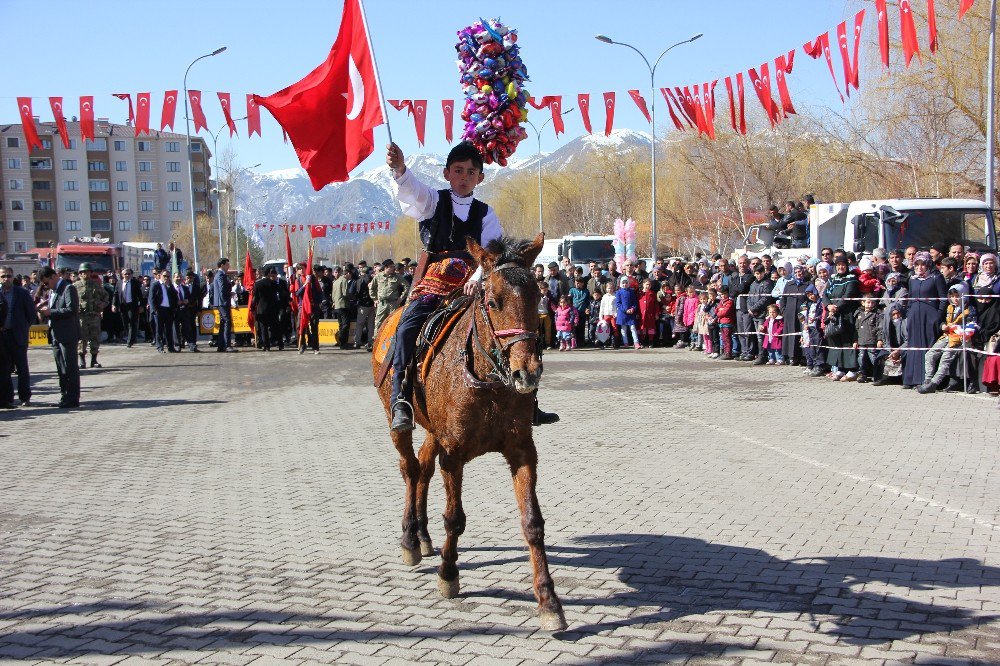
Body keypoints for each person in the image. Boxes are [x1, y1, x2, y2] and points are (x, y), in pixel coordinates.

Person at [385, 140, 502, 431]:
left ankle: (525, 396)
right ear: (446, 173)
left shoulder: (486, 214)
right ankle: (400, 396)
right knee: (407, 325)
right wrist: (400, 168)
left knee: (512, 320)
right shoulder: (434, 201)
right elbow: (412, 189)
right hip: (435, 282)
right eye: (458, 171)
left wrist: (476, 279)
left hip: (474, 282)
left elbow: (492, 253)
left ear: (481, 177)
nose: (464, 177)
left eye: (471, 172)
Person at [918, 283, 978, 393]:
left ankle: (934, 383)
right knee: (930, 355)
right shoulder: (950, 307)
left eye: (957, 296)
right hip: (947, 335)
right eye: (952, 296)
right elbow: (942, 321)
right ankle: (927, 380)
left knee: (945, 359)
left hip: (959, 338)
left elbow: (972, 326)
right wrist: (943, 326)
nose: (955, 299)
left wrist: (957, 328)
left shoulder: (970, 309)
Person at [36, 267, 80, 408]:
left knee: (70, 367)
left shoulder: (68, 288)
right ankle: (64, 395)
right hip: (55, 334)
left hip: (67, 334)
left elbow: (71, 309)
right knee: (61, 367)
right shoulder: (53, 290)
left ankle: (72, 398)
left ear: (53, 277)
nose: (45, 286)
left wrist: (50, 312)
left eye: (46, 283)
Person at [903, 252, 947, 388]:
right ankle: (911, 378)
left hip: (930, 318)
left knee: (927, 346)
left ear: (928, 265)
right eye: (917, 265)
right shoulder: (912, 278)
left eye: (923, 265)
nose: (920, 268)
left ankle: (925, 379)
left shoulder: (936, 277)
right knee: (914, 346)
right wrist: (909, 315)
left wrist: (938, 316)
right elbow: (910, 298)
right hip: (915, 317)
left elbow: (943, 299)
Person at [1, 266, 36, 407]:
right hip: (2, 336)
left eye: (8, 276)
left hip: (18, 336)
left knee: (22, 368)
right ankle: (7, 398)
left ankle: (25, 397)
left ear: (13, 277)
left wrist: (23, 327)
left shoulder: (21, 293)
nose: (6, 279)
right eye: (3, 276)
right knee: (4, 369)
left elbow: (31, 315)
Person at [73, 263, 109, 369]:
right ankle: (82, 361)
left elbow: (106, 296)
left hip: (94, 316)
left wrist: (102, 305)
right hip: (81, 317)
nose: (85, 274)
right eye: (83, 272)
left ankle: (94, 360)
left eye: (87, 271)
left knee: (95, 338)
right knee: (81, 339)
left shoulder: (96, 285)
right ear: (80, 273)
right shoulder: (75, 286)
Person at [370, 259, 408, 333]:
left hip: (393, 303)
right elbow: (372, 288)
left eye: (393, 266)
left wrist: (401, 298)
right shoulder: (378, 276)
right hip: (382, 303)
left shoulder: (397, 277)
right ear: (386, 267)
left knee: (393, 322)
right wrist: (374, 299)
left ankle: (391, 341)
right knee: (379, 323)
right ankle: (376, 341)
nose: (393, 268)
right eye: (391, 267)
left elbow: (407, 287)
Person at [853, 294, 883, 383]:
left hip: (872, 340)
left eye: (872, 302)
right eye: (868, 302)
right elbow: (856, 328)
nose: (870, 304)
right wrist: (855, 340)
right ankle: (862, 374)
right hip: (861, 340)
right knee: (861, 358)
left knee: (873, 357)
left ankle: (877, 375)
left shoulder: (876, 314)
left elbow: (879, 328)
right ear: (863, 303)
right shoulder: (858, 314)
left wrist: (880, 339)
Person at [297, 264, 323, 355]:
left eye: (302, 268)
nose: (301, 270)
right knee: (301, 326)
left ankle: (315, 347)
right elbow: (297, 293)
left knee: (314, 326)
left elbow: (320, 292)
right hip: (302, 306)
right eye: (299, 269)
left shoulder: (313, 279)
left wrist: (318, 303)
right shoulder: (299, 280)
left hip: (313, 306)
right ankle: (302, 345)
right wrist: (305, 285)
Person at [113, 268, 142, 347]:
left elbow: (140, 295)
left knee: (132, 323)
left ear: (131, 275)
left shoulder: (135, 282)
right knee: (125, 323)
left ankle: (130, 341)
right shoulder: (119, 283)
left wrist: (141, 305)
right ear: (122, 275)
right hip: (123, 305)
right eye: (125, 274)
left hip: (132, 305)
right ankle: (132, 337)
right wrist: (114, 304)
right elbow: (115, 294)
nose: (127, 275)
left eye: (129, 274)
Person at [151, 271, 179, 353]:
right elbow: (151, 298)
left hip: (168, 310)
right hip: (159, 310)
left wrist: (169, 285)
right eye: (164, 276)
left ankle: (170, 347)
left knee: (169, 329)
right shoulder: (155, 285)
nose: (166, 277)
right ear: (160, 276)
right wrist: (154, 310)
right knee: (159, 329)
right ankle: (160, 347)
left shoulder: (169, 285)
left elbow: (175, 295)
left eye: (168, 276)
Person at [212, 258, 236, 353]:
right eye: (227, 264)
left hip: (222, 301)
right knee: (227, 322)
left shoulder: (221, 274)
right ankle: (227, 345)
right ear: (222, 265)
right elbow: (222, 289)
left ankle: (221, 345)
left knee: (223, 323)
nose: (228, 266)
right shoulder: (220, 275)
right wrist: (229, 293)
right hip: (222, 302)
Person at [354, 266, 376, 351]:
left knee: (360, 324)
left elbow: (358, 292)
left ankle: (357, 341)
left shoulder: (360, 280)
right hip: (372, 304)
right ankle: (370, 341)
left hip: (363, 304)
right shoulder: (373, 279)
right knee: (371, 325)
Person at [614, 276, 640, 350]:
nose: (624, 284)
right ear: (620, 284)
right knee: (623, 329)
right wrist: (625, 310)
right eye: (623, 283)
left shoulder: (631, 292)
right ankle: (625, 342)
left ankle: (636, 342)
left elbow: (635, 302)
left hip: (631, 313)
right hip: (623, 313)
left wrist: (632, 309)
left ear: (628, 283)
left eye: (626, 283)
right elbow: (618, 303)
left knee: (633, 328)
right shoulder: (618, 292)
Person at [637, 279, 658, 347]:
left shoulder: (652, 294)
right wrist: (636, 313)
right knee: (642, 328)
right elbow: (637, 304)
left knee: (651, 328)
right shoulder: (640, 293)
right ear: (643, 284)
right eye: (646, 284)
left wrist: (656, 313)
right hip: (641, 314)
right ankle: (642, 341)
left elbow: (656, 305)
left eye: (649, 285)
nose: (648, 286)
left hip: (650, 314)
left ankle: (650, 341)